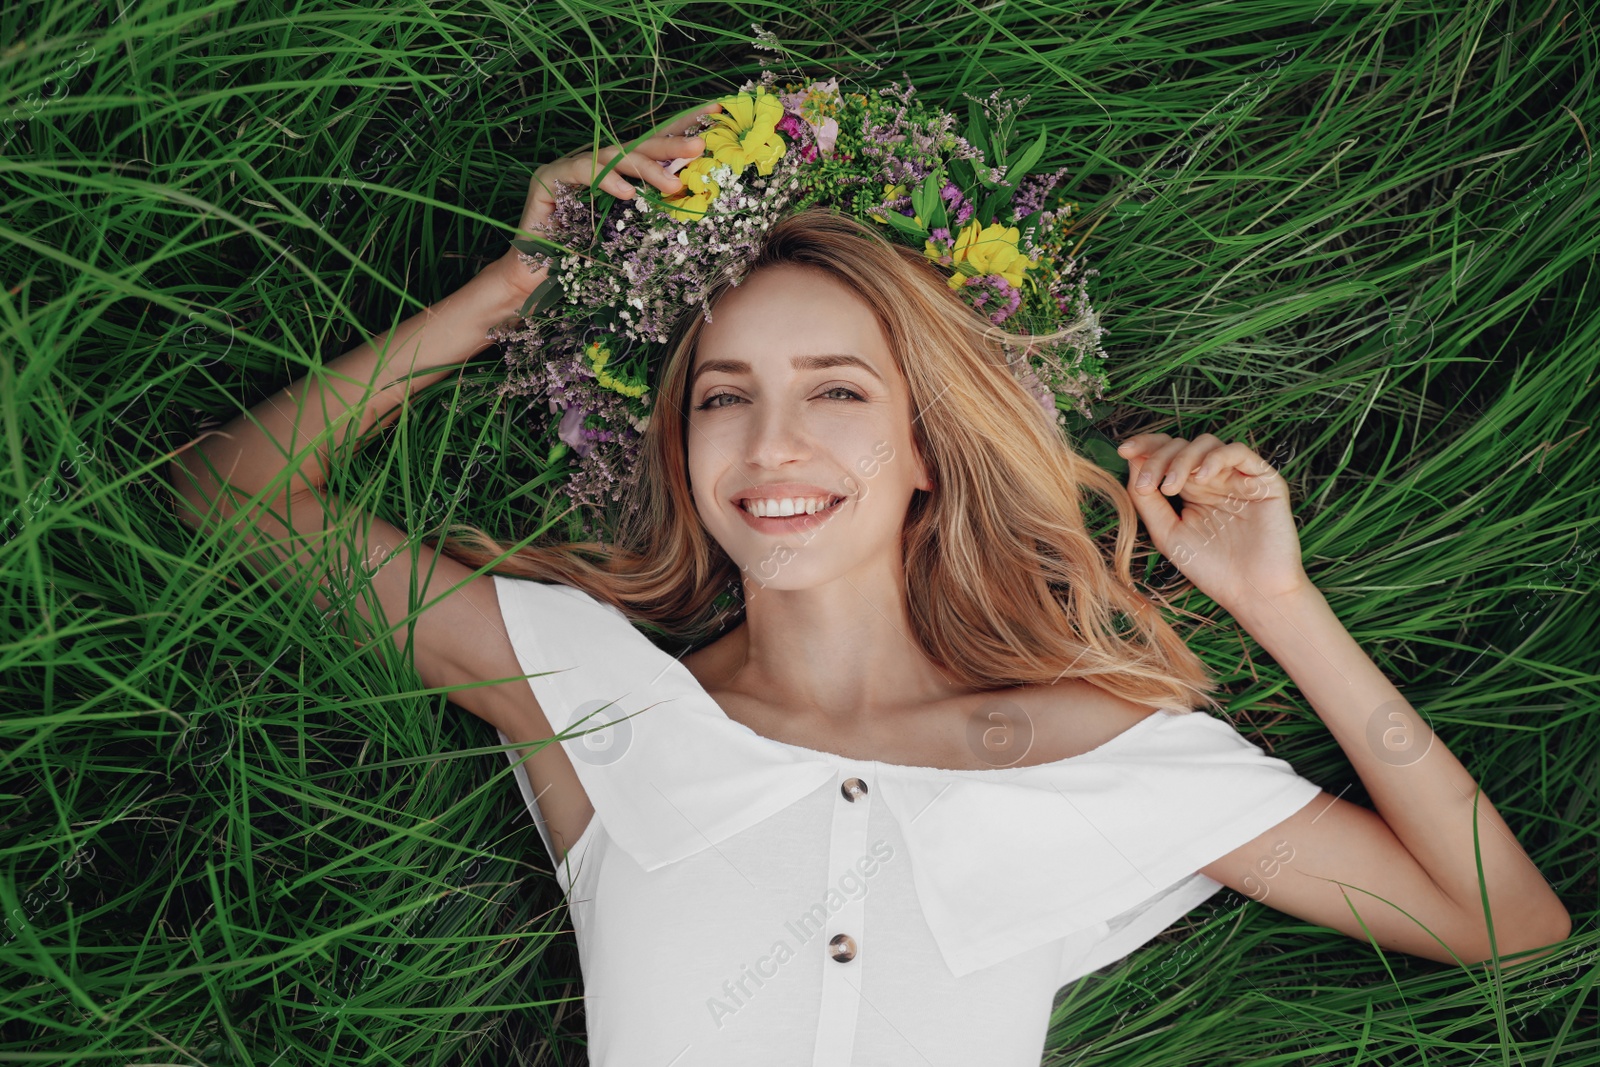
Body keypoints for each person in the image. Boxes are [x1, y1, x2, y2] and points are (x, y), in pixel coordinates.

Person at [164, 97, 1572, 1064]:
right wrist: (505, 292)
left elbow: (1498, 923)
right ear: (687, 447)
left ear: (922, 449)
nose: (771, 443)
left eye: (836, 391)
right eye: (722, 398)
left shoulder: (1100, 759)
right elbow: (230, 493)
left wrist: (1278, 603)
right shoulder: (590, 697)